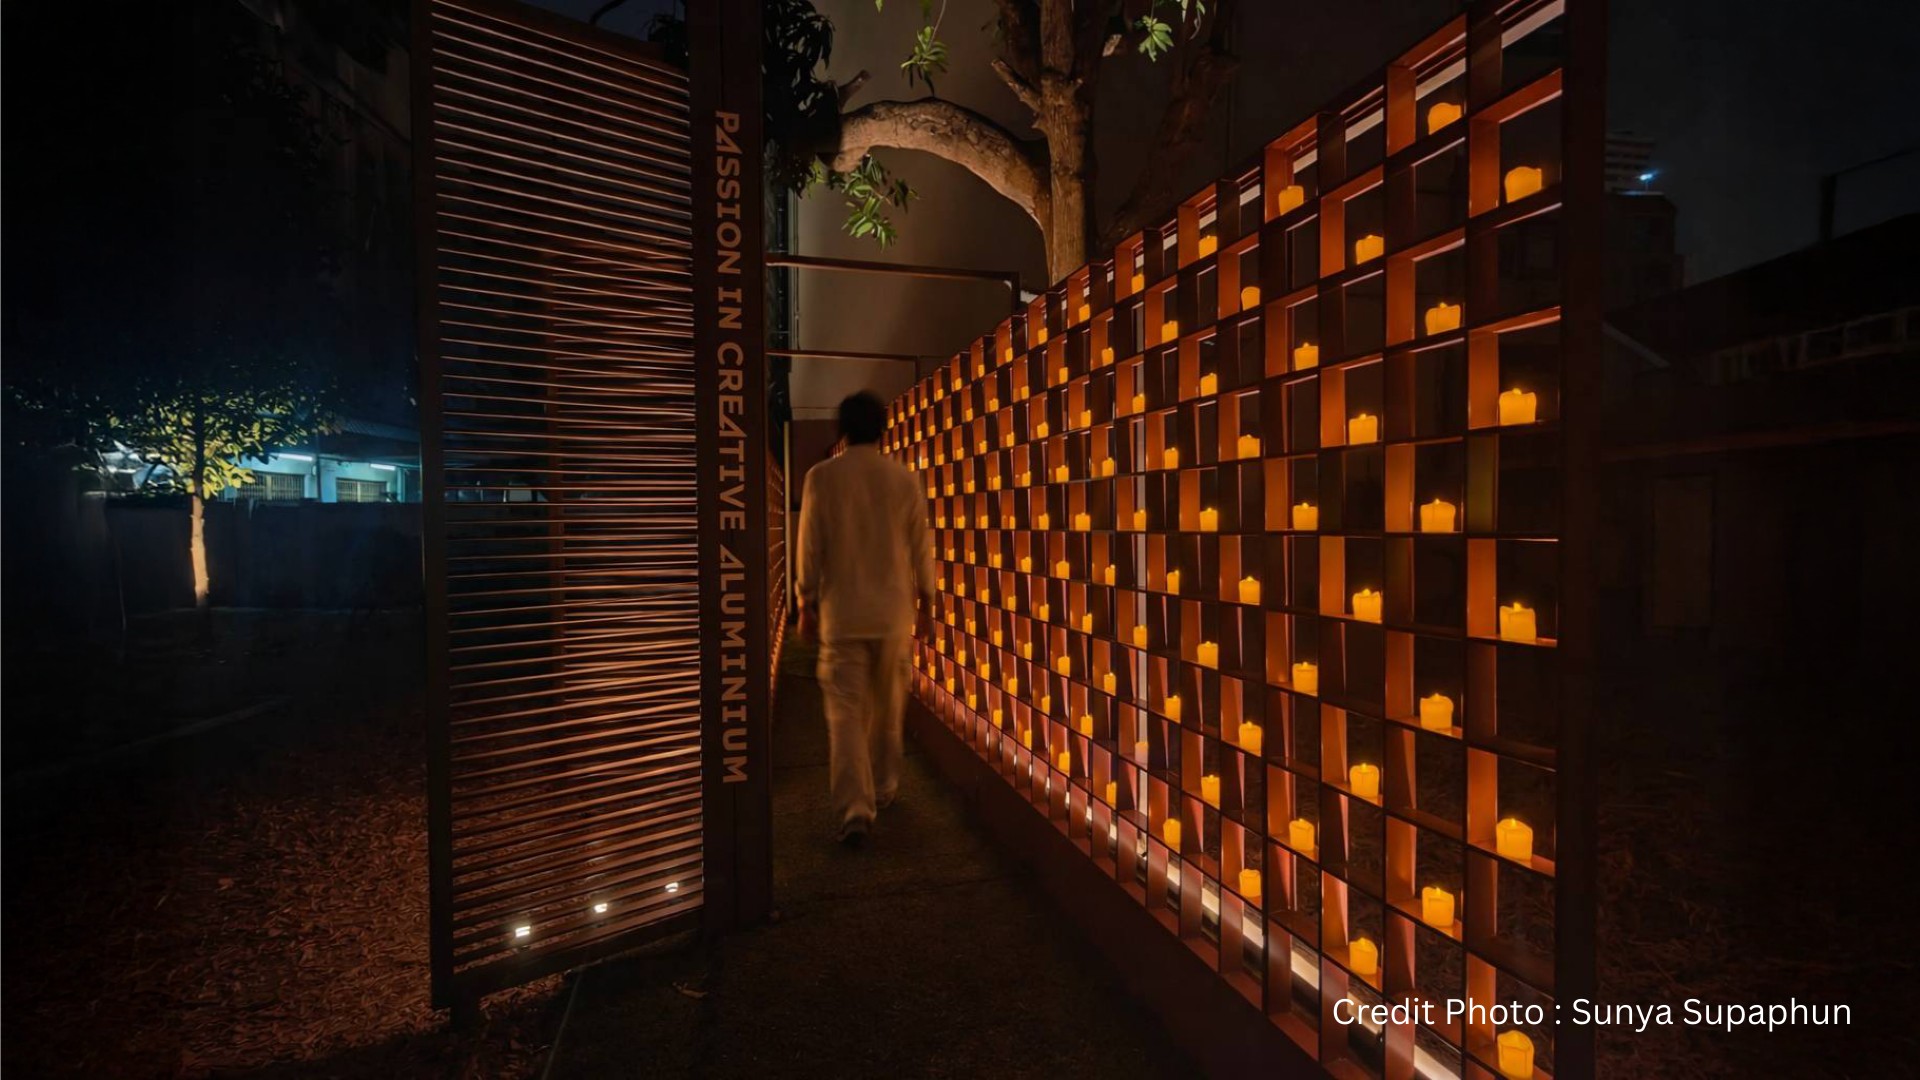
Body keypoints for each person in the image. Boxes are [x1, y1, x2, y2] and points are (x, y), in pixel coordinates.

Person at [796, 391, 933, 847]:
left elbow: (810, 544)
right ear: (882, 428)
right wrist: (928, 603)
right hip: (893, 614)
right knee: (888, 710)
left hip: (843, 616)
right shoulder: (903, 479)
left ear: (843, 429)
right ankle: (886, 786)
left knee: (845, 715)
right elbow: (921, 546)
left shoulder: (821, 478)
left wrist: (806, 602)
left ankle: (856, 809)